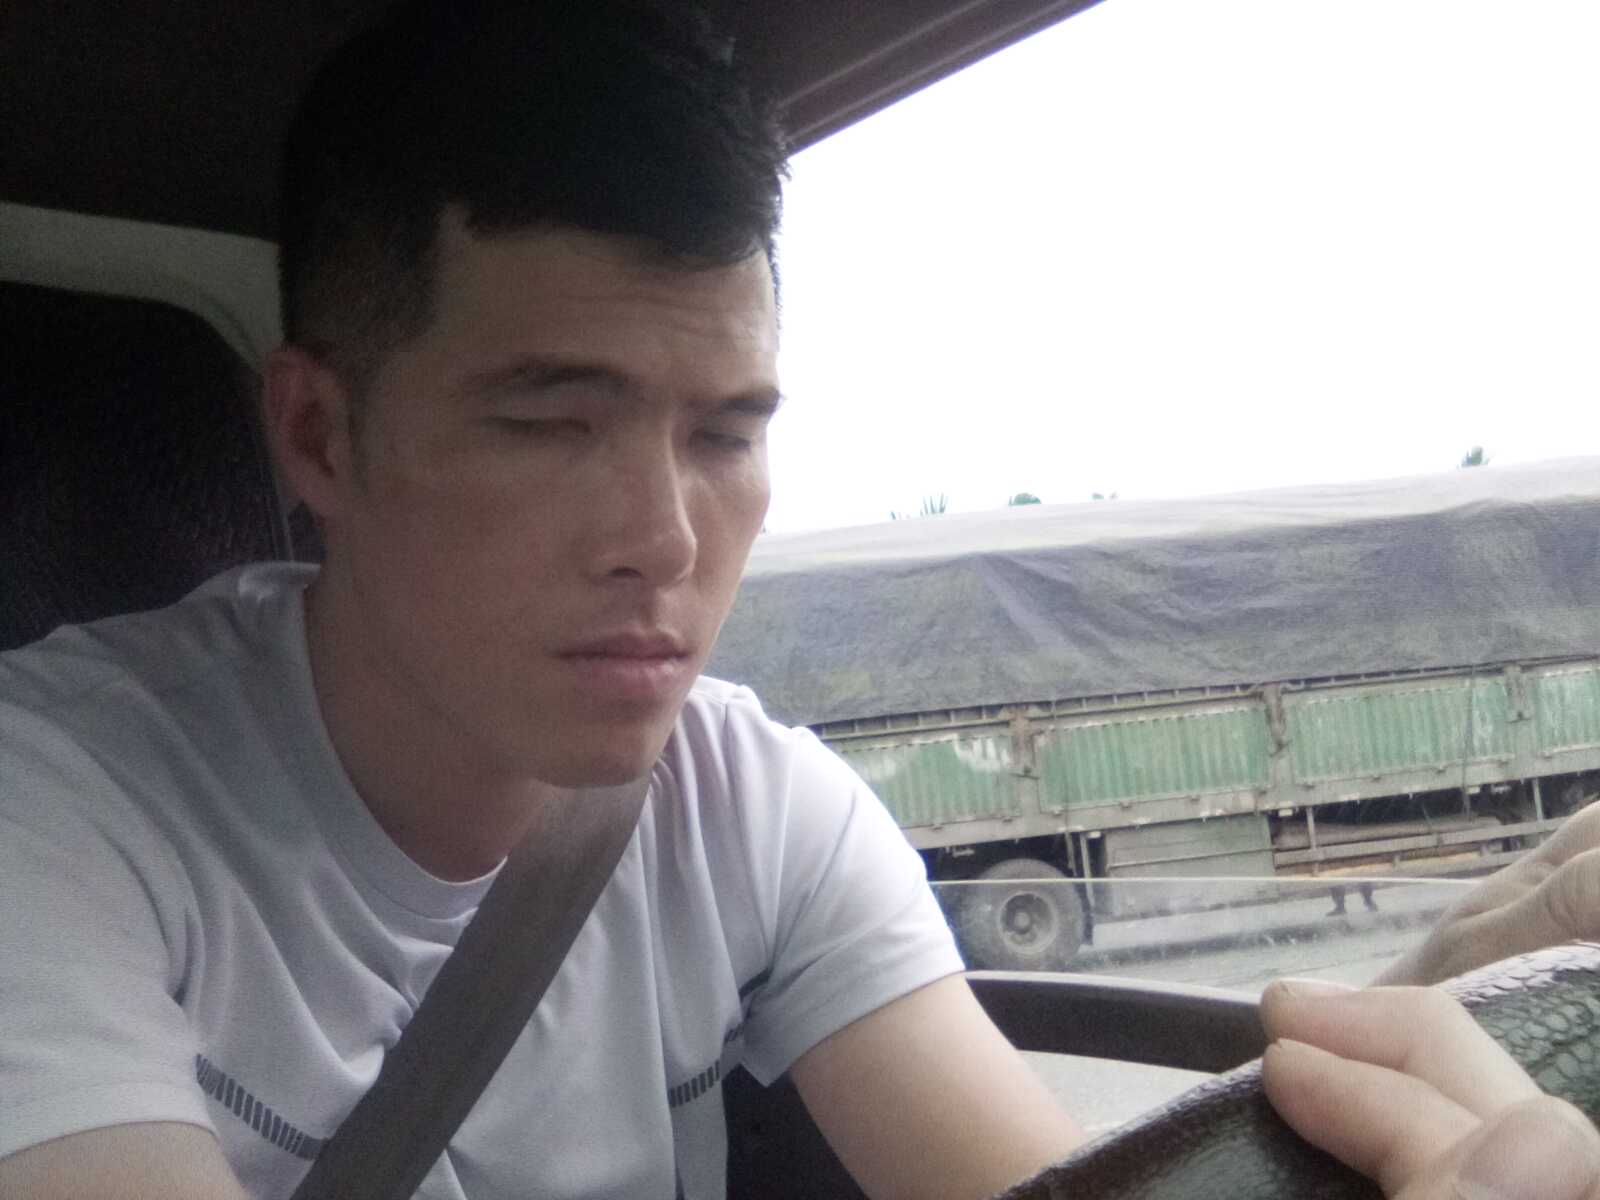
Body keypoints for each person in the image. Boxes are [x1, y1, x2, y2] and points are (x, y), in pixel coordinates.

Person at [0, 3, 1596, 1199]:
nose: (662, 537)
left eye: (725, 435)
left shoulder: (756, 811)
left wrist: (1382, 1044)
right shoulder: (57, 810)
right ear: (319, 438)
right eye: (549, 423)